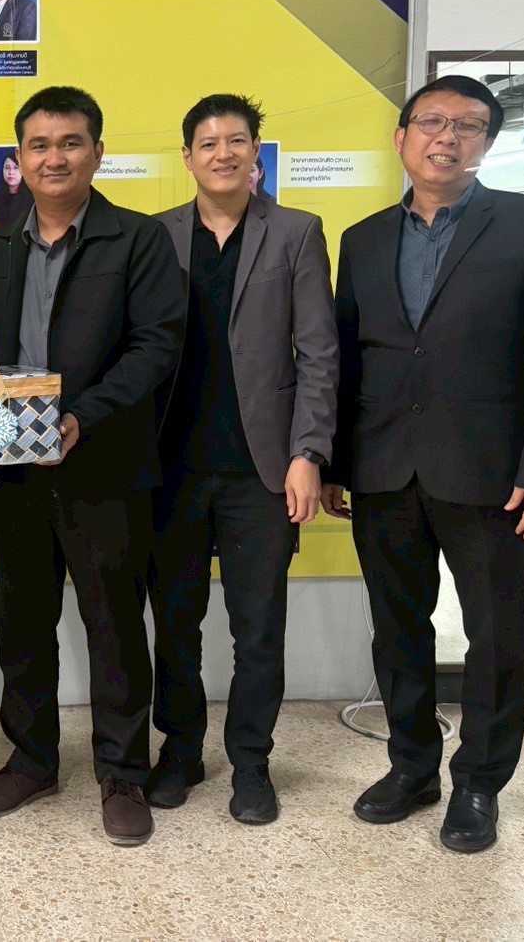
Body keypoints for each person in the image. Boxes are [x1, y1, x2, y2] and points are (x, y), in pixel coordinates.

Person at [322, 75, 524, 854]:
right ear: (400, 138)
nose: (446, 137)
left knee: (494, 635)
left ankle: (478, 783)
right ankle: (412, 768)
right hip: (382, 470)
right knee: (396, 631)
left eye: (467, 125)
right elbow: (346, 359)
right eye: (431, 122)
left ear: (486, 144)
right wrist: (334, 461)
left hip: (491, 475)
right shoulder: (362, 238)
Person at [0, 86, 182, 846]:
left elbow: (156, 347)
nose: (54, 158)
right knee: (22, 619)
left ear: (97, 153)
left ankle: (122, 772)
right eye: (38, 145)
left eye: (70, 143)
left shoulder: (137, 239)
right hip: (12, 470)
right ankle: (32, 759)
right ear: (17, 159)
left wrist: (83, 416)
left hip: (103, 467)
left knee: (114, 625)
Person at [146, 94, 337, 824]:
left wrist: (308, 453)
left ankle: (252, 763)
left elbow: (317, 354)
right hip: (171, 468)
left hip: (262, 470)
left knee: (257, 628)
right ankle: (180, 751)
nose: (221, 153)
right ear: (187, 156)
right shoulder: (155, 235)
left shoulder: (295, 232)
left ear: (255, 151)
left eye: (235, 141)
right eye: (207, 142)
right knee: (175, 625)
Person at [0, 153, 34, 232]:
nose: (11, 172)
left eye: (16, 167)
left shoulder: (32, 197)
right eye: (7, 168)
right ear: (2, 171)